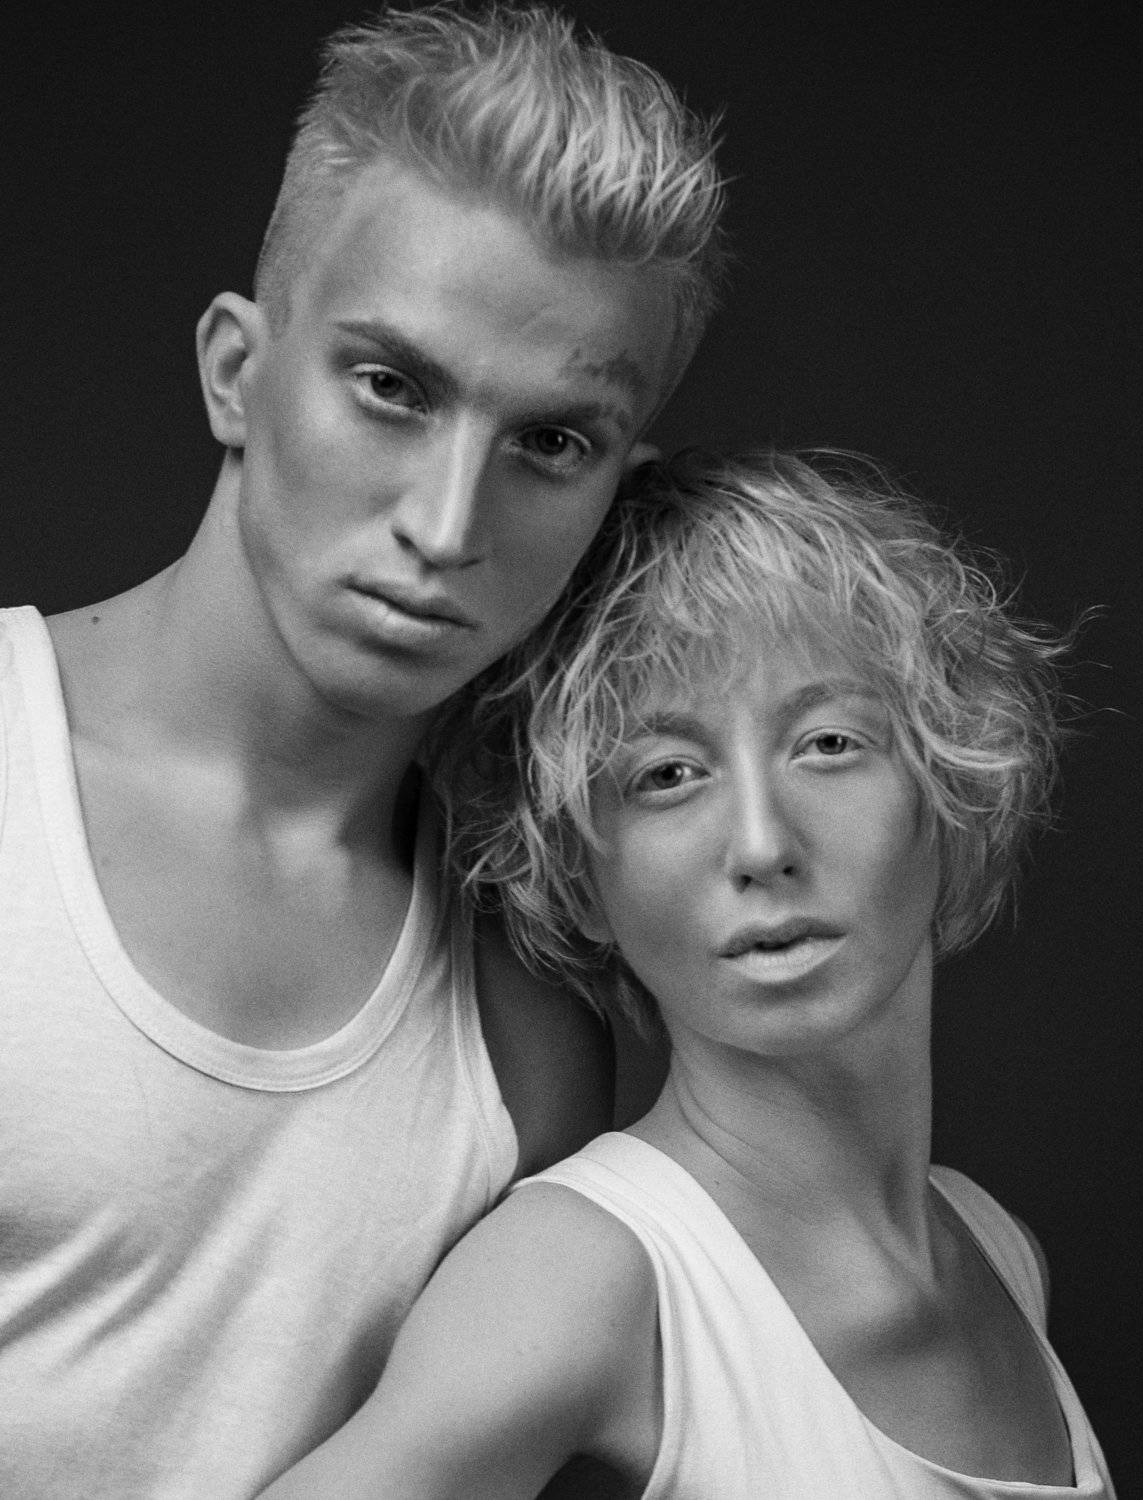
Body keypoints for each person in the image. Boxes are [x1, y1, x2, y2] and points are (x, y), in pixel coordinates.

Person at [0, 6, 724, 1494]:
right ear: (235, 372)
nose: (445, 527)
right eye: (392, 387)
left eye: (550, 444)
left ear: (613, 491)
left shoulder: (526, 1026)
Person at [260, 449, 1116, 1498]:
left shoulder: (994, 1248)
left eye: (828, 743)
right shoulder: (585, 1278)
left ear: (950, 790)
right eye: (666, 775)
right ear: (574, 876)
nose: (760, 844)